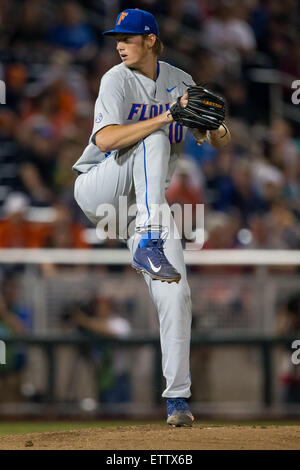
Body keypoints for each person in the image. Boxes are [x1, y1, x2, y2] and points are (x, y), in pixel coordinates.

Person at [73, 9, 231, 426]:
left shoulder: (180, 81)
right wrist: (166, 116)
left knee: (176, 293)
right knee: (155, 137)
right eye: (116, 37)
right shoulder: (115, 80)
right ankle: (148, 243)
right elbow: (105, 139)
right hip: (100, 188)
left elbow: (218, 137)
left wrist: (216, 128)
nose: (119, 43)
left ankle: (177, 400)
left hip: (143, 207)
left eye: (128, 36)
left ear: (151, 40)